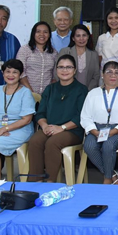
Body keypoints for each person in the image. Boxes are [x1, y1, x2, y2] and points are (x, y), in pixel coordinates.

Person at [27, 54, 87, 182]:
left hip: (72, 131)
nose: (64, 70)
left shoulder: (81, 90)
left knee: (52, 143)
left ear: (75, 70)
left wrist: (62, 127)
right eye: (61, 67)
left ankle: (50, 182)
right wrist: (44, 126)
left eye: (68, 67)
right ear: (56, 70)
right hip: (50, 128)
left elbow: (81, 116)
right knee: (35, 141)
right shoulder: (50, 89)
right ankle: (35, 182)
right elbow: (40, 113)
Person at [80, 61, 118, 184]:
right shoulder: (92, 93)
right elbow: (85, 117)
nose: (113, 75)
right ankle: (112, 175)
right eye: (109, 72)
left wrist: (112, 132)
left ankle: (107, 179)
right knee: (89, 146)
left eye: (117, 73)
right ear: (102, 75)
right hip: (97, 129)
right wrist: (94, 132)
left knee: (108, 145)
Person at [15, 21, 57, 96]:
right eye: (38, 32)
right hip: (25, 93)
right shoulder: (25, 49)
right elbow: (20, 72)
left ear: (49, 34)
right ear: (33, 34)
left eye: (45, 32)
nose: (42, 34)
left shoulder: (54, 52)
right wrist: (31, 93)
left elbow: (54, 76)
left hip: (46, 95)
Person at [57, 24, 100, 91]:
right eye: (78, 36)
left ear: (88, 37)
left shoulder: (93, 54)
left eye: (84, 35)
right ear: (73, 38)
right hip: (66, 91)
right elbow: (56, 71)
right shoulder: (65, 51)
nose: (81, 39)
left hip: (87, 92)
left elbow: (96, 76)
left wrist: (86, 91)